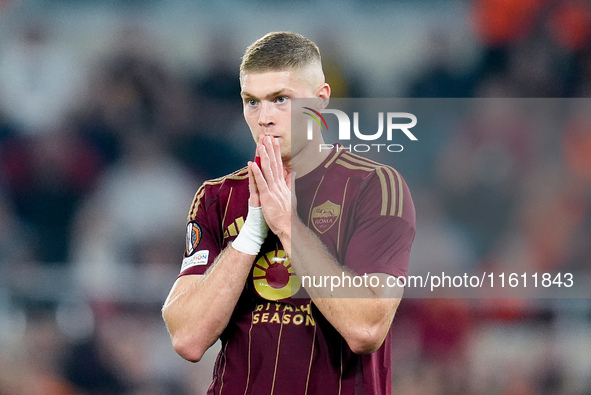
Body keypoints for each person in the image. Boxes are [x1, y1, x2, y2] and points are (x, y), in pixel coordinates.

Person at [162, 31, 416, 395]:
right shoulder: (216, 197)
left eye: (281, 99)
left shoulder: (374, 187)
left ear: (320, 100)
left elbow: (366, 329)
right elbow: (187, 338)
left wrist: (287, 227)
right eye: (252, 102)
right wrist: (251, 231)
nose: (264, 117)